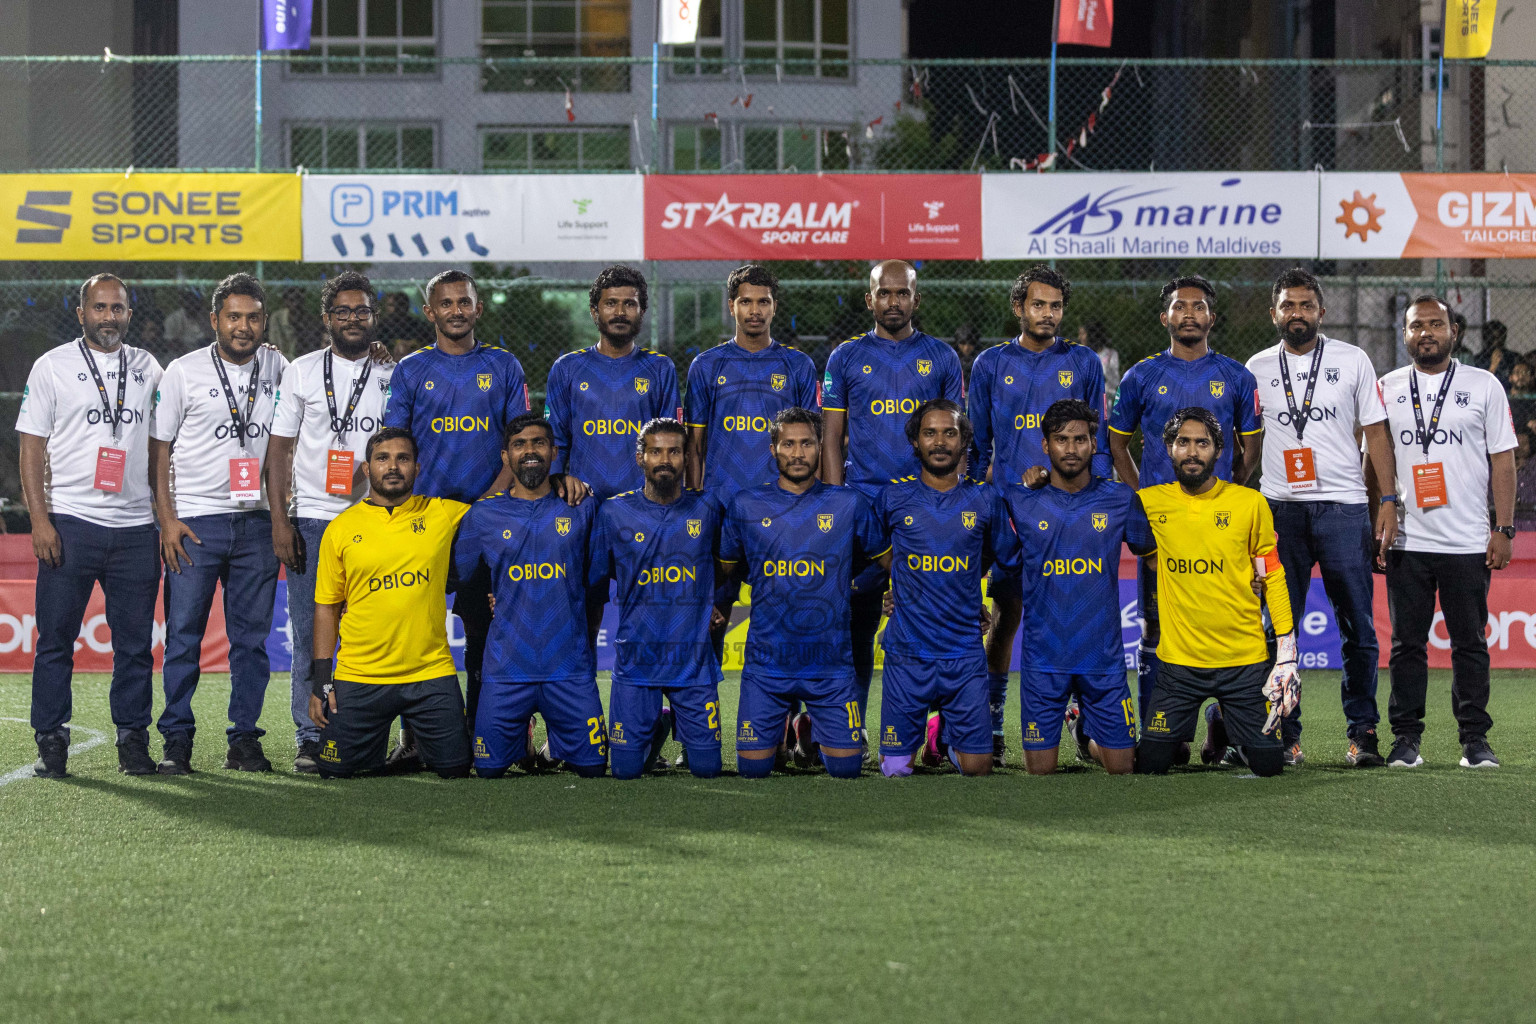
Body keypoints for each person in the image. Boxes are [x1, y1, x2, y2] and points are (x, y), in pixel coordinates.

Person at [381, 269, 540, 761]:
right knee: (416, 632)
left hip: (490, 520)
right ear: (430, 312)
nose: (455, 310)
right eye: (445, 303)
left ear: (478, 308)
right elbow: (395, 447)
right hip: (423, 523)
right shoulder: (410, 370)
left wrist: (484, 507)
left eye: (463, 302)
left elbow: (520, 443)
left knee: (490, 634)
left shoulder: (504, 366)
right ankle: (413, 740)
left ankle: (507, 735)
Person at [1245, 267, 1397, 767]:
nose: (1297, 313)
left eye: (1306, 305)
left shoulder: (1353, 360)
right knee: (1276, 628)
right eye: (1288, 305)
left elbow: (1376, 435)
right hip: (1277, 511)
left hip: (1343, 506)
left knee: (1357, 625)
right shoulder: (1257, 367)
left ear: (1321, 312)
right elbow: (1248, 445)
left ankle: (1363, 735)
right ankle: (1283, 734)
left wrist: (1388, 503)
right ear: (1274, 313)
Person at [17, 274, 164, 778]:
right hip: (71, 523)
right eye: (99, 307)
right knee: (55, 641)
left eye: (117, 308)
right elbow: (31, 446)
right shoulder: (52, 365)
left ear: (129, 313)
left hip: (135, 529)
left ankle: (132, 740)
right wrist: (40, 519)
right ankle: (51, 740)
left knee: (134, 647)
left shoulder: (149, 367)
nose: (108, 316)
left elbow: (171, 434)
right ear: (81, 313)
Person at [966, 264, 1110, 766]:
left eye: (1055, 306)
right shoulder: (989, 364)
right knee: (1006, 618)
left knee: (1078, 617)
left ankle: (1087, 719)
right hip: (1010, 512)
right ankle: (990, 720)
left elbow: (1102, 439)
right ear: (1018, 307)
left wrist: (1099, 491)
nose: (1046, 314)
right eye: (1037, 305)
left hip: (1074, 510)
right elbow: (978, 444)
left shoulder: (1085, 362)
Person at [1107, 275, 1263, 727]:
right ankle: (1163, 730)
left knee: (1227, 627)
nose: (1189, 313)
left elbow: (1249, 450)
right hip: (1162, 529)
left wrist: (1224, 496)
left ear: (1212, 317)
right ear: (1165, 317)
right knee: (1155, 630)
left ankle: (1226, 727)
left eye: (1198, 307)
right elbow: (1118, 445)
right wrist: (1144, 499)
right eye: (1180, 306)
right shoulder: (1141, 375)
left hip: (1220, 528)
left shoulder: (1237, 376)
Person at [149, 273, 289, 774]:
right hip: (195, 524)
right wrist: (167, 518)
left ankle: (244, 740)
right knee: (183, 636)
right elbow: (158, 451)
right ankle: (176, 740)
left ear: (263, 321)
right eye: (234, 316)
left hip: (256, 524)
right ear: (214, 321)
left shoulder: (279, 365)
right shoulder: (182, 371)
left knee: (250, 642)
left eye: (253, 317)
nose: (243, 326)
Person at [1374, 295, 1516, 770]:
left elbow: (1503, 458)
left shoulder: (1484, 385)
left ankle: (1475, 740)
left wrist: (1503, 526)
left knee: (1470, 643)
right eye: (1417, 326)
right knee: (1406, 646)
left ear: (1454, 330)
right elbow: (1374, 460)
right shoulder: (1387, 387)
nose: (1427, 332)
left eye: (1436, 324)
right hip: (1409, 540)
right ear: (1405, 333)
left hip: (1467, 540)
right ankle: (1405, 740)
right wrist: (1379, 515)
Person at [820, 260, 963, 728]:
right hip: (862, 509)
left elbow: (957, 438)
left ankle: (941, 731)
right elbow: (831, 439)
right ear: (870, 300)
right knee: (856, 626)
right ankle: (848, 725)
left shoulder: (941, 357)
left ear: (916, 300)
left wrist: (951, 499)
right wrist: (836, 502)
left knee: (937, 628)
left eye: (902, 293)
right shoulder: (844, 357)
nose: (893, 301)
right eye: (885, 293)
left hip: (927, 512)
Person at [266, 271, 393, 773]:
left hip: (373, 520)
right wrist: (281, 521)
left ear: (373, 317)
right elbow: (278, 452)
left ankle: (366, 731)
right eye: (342, 312)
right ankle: (309, 736)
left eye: (361, 311)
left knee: (377, 632)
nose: (352, 319)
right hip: (313, 521)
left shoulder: (392, 374)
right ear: (326, 319)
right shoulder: (299, 371)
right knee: (308, 633)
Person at [719, 407, 889, 779]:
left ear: (820, 447)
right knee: (753, 771)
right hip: (766, 667)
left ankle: (807, 727)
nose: (798, 453)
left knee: (845, 770)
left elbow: (888, 562)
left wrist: (851, 585)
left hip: (830, 669)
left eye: (807, 444)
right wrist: (716, 605)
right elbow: (726, 571)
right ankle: (784, 728)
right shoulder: (745, 505)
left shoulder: (849, 503)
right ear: (773, 449)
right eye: (788, 444)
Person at [1135, 407, 1297, 778]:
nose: (1192, 452)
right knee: (1151, 765)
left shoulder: (1250, 503)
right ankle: (1216, 720)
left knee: (1269, 767)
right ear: (1169, 449)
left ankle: (1222, 722)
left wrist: (1286, 653)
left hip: (1243, 661)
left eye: (1202, 443)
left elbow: (1272, 574)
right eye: (1183, 443)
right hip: (1178, 664)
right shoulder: (1148, 502)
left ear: (1219, 450)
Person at [306, 427, 473, 779]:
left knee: (457, 768)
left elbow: (504, 507)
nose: (393, 466)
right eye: (383, 458)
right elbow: (326, 606)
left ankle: (420, 745)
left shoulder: (443, 513)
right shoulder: (340, 528)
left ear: (417, 468)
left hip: (430, 672)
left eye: (403, 458)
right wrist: (322, 680)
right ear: (367, 469)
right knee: (335, 771)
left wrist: (558, 483)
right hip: (360, 675)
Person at [1000, 399, 1155, 775]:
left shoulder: (1120, 499)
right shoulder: (1019, 500)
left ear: (1094, 443)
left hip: (1102, 661)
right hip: (1043, 662)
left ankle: (1085, 738)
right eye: (1061, 439)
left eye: (1080, 439)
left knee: (1125, 769)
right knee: (1040, 773)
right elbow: (994, 559)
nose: (1071, 449)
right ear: (1045, 445)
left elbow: (1153, 559)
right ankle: (1074, 720)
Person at [452, 413, 607, 778]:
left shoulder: (583, 506)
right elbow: (460, 579)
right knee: (488, 771)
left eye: (538, 443)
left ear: (554, 451)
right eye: (519, 445)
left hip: (568, 668)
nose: (530, 451)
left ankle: (555, 741)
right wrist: (498, 597)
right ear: (505, 458)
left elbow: (596, 580)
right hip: (507, 669)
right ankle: (524, 738)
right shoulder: (483, 515)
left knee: (595, 769)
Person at [874, 400, 1017, 778]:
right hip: (907, 654)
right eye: (930, 432)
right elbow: (874, 552)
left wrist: (967, 585)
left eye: (950, 432)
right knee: (894, 770)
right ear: (915, 442)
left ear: (964, 441)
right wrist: (902, 584)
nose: (940, 441)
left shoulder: (985, 499)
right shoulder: (892, 498)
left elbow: (1000, 554)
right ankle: (917, 738)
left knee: (978, 770)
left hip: (963, 655)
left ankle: (942, 738)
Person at [683, 264, 818, 662]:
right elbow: (694, 447)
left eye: (763, 301)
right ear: (732, 306)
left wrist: (810, 505)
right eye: (746, 301)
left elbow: (810, 443)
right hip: (720, 511)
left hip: (782, 513)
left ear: (775, 307)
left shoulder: (797, 365)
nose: (754, 310)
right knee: (711, 620)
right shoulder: (707, 365)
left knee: (784, 620)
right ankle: (699, 716)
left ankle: (790, 720)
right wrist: (696, 504)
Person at [589, 419, 725, 780]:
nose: (665, 459)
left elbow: (729, 562)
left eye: (674, 451)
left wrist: (719, 602)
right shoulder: (614, 512)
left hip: (692, 662)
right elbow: (598, 577)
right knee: (625, 772)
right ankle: (656, 724)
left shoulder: (708, 508)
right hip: (638, 659)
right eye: (656, 451)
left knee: (708, 769)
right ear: (640, 458)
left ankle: (667, 719)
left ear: (685, 458)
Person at [265, 286, 321, 359]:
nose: (295, 303)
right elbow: (274, 340)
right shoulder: (277, 317)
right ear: (285, 301)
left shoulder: (308, 319)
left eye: (298, 299)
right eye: (292, 300)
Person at [1078, 320, 1120, 397]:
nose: (1079, 337)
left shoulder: (1111, 354)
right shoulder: (1081, 355)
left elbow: (1115, 381)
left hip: (1106, 398)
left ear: (1092, 335)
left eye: (1082, 334)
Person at [1472, 319, 1510, 388]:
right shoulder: (1477, 360)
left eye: (1500, 338)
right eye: (1493, 338)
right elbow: (1477, 385)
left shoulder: (1512, 357)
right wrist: (1493, 367)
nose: (1497, 341)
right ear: (1485, 338)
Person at [951, 323, 982, 389]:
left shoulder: (982, 358)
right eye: (962, 343)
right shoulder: (951, 357)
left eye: (971, 343)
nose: (966, 348)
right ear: (957, 343)